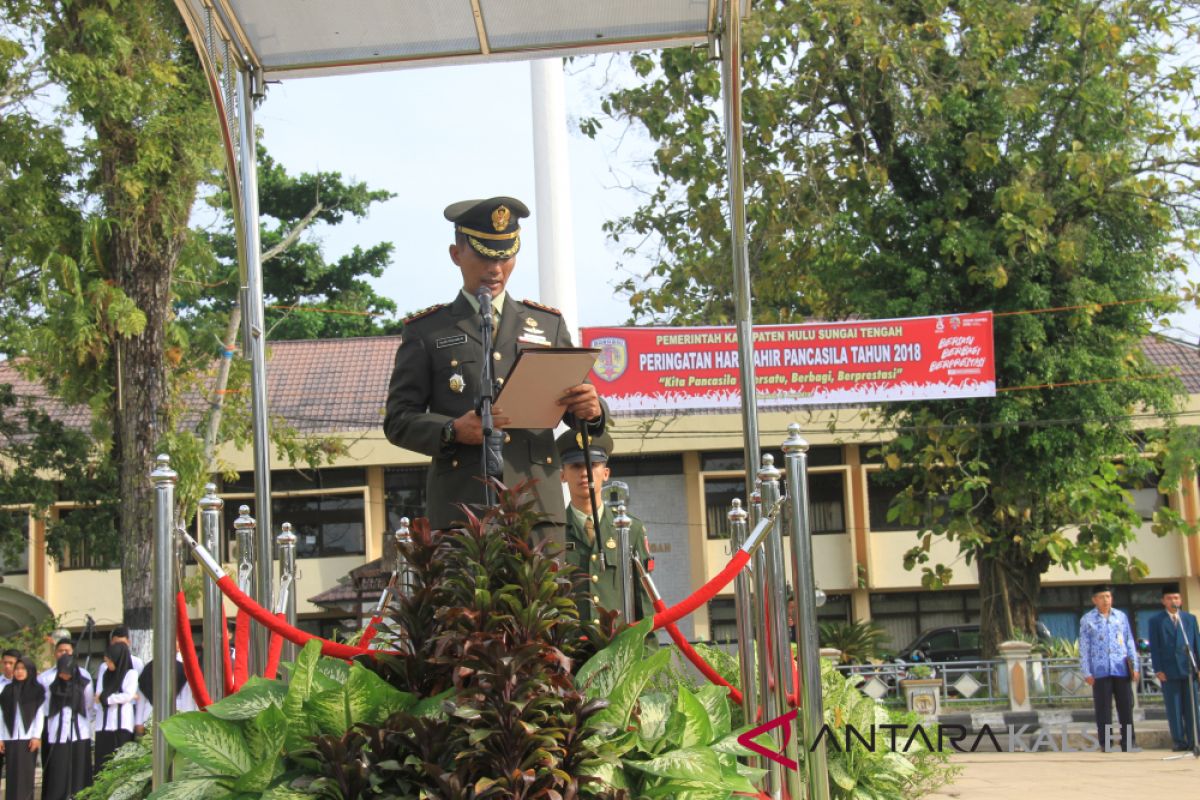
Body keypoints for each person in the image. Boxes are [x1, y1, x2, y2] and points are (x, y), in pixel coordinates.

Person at [384, 197, 607, 544]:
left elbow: (579, 405)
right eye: (485, 255)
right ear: (456, 255)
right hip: (463, 509)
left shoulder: (547, 324)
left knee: (544, 600)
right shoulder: (428, 331)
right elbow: (398, 420)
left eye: (505, 256)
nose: (496, 268)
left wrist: (591, 410)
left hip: (538, 510)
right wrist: (451, 430)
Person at [556, 430, 655, 627]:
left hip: (616, 648)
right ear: (562, 475)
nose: (584, 473)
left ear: (606, 473)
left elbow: (643, 599)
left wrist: (646, 652)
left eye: (592, 465)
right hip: (570, 651)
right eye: (576, 466)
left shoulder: (631, 529)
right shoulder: (552, 532)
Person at [1079, 584, 1139, 751]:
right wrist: (1086, 671)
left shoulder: (1120, 617)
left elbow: (1129, 642)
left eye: (1108, 596)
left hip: (1121, 668)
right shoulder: (1087, 620)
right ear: (1094, 600)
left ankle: (1128, 742)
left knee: (1126, 708)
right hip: (1100, 670)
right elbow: (1084, 647)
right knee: (1103, 710)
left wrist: (1135, 666)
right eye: (1102, 597)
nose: (1106, 600)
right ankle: (1106, 743)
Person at [1148, 582, 1200, 751]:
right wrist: (1158, 669)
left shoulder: (1189, 619)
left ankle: (1195, 740)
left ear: (1181, 600)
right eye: (1169, 598)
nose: (1173, 601)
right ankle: (1179, 741)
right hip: (1169, 670)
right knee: (1174, 708)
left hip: (1188, 668)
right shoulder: (1156, 621)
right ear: (1163, 601)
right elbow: (1155, 647)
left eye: (1176, 597)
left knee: (1192, 707)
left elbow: (1196, 644)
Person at [41, 655, 92, 800]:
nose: (64, 674)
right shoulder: (53, 686)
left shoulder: (84, 684)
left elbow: (88, 705)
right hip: (58, 732)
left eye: (67, 671)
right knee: (59, 767)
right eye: (61, 671)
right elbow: (47, 707)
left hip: (79, 731)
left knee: (78, 767)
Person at [0, 656, 43, 800]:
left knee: (25, 776)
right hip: (10, 739)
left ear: (30, 670)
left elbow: (39, 714)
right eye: (17, 668)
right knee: (12, 777)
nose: (19, 672)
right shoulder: (7, 690)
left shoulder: (36, 690)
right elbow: (1, 715)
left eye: (23, 669)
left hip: (28, 740)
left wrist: (36, 736)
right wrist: (0, 737)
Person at [92, 642, 138, 770]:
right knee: (102, 761)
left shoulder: (130, 673)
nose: (107, 664)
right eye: (106, 661)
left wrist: (107, 699)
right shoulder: (106, 673)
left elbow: (128, 695)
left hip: (121, 724)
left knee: (120, 762)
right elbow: (98, 694)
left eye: (110, 661)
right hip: (103, 724)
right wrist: (105, 698)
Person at [134, 655, 196, 735]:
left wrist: (187, 722)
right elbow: (141, 700)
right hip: (150, 723)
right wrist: (138, 723)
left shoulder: (181, 674)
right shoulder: (148, 673)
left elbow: (187, 701)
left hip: (176, 722)